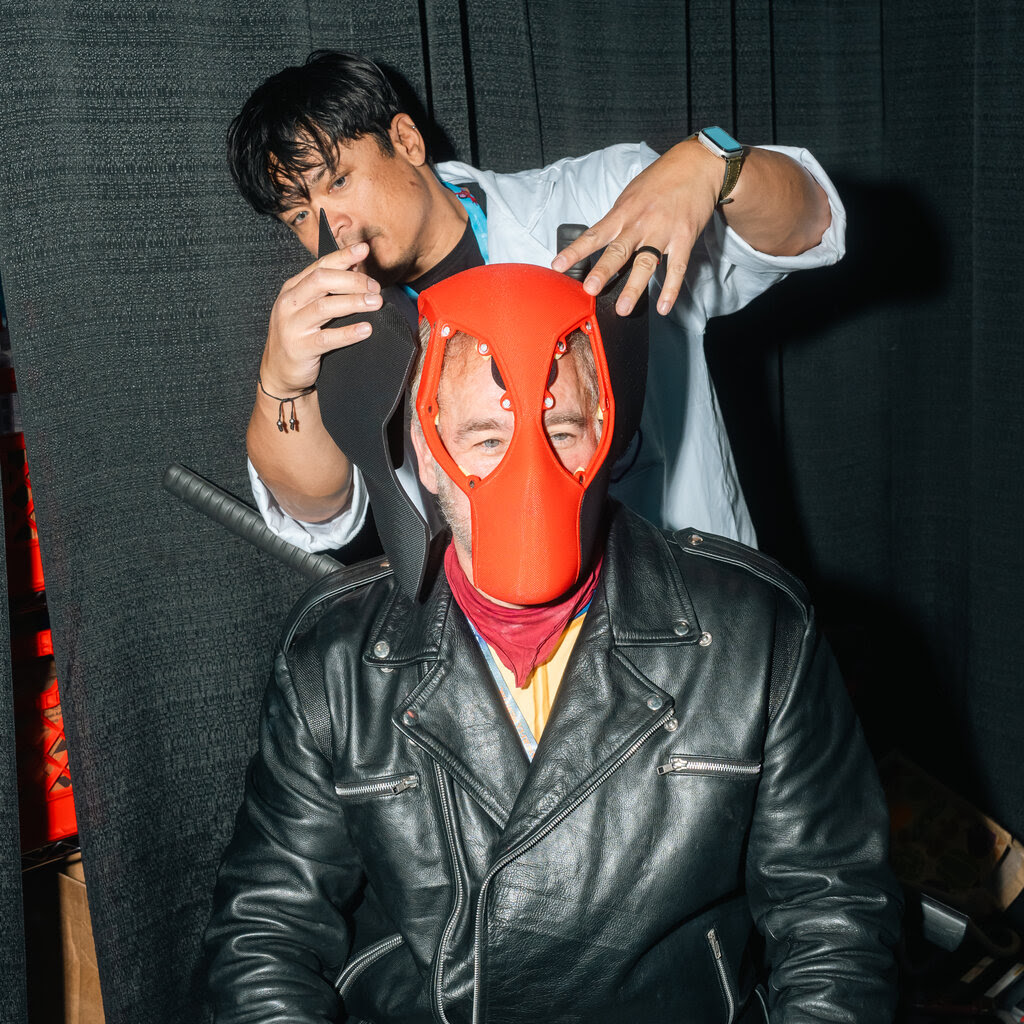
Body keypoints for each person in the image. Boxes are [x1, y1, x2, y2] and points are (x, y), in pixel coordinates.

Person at [205, 264, 900, 1023]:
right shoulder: (335, 659)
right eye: (485, 437)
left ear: (603, 432)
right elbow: (263, 936)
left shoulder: (753, 631)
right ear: (428, 456)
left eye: (560, 430)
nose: (527, 475)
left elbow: (837, 926)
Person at [229, 50, 842, 554]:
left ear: (407, 141)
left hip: (693, 625)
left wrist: (714, 165)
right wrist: (280, 381)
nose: (331, 224)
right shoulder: (339, 323)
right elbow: (320, 509)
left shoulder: (598, 200)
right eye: (301, 214)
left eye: (339, 180)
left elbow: (811, 223)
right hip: (496, 665)